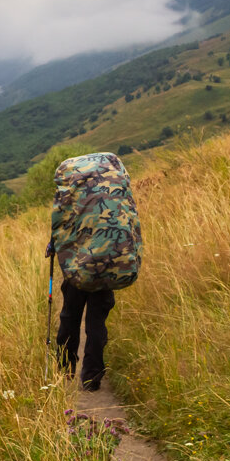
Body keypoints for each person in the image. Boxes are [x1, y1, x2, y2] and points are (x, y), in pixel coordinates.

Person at [43, 151, 141, 392]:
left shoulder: (74, 196)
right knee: (96, 323)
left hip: (79, 269)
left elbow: (62, 224)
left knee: (70, 317)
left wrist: (54, 244)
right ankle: (91, 378)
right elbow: (132, 226)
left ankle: (65, 369)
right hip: (109, 265)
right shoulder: (116, 195)